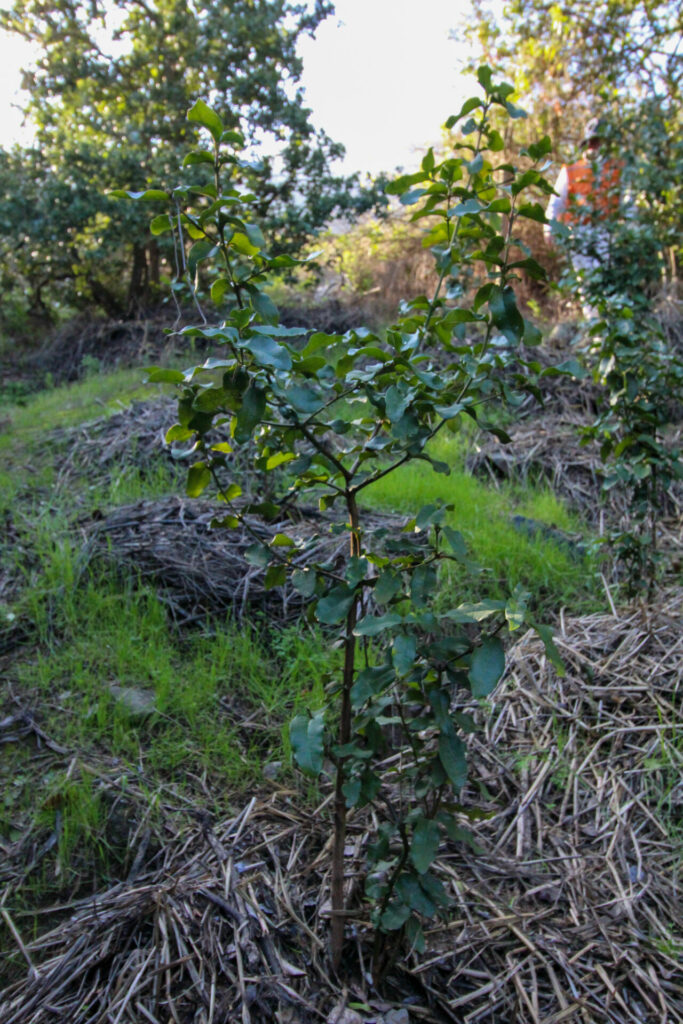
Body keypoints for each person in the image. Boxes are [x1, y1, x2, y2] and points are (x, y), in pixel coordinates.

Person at [544, 117, 623, 318]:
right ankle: (594, 328)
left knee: (607, 279)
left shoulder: (616, 169)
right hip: (579, 233)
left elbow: (627, 201)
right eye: (591, 142)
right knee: (586, 282)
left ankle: (610, 328)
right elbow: (556, 201)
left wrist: (629, 227)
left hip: (607, 232)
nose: (594, 146)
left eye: (598, 142)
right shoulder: (570, 170)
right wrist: (549, 228)